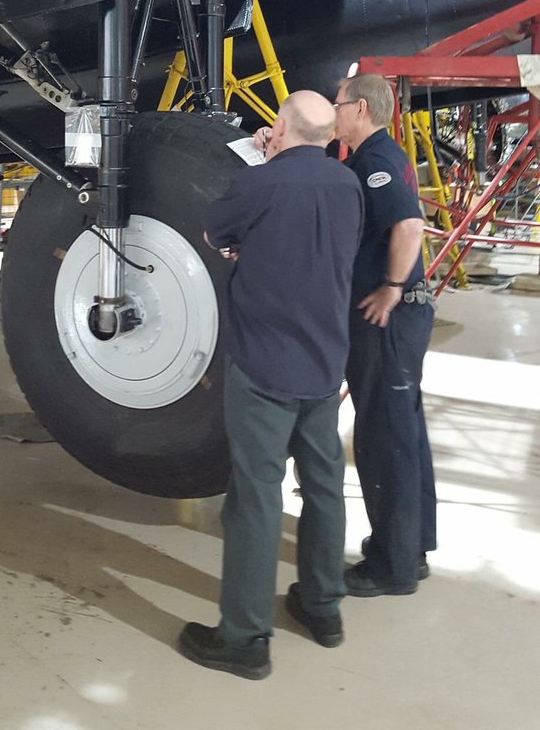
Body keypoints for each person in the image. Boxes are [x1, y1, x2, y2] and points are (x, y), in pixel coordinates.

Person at [178, 91, 364, 680]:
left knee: (257, 498)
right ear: (330, 134)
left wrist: (258, 162)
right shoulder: (348, 185)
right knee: (324, 486)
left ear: (280, 128)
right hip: (324, 362)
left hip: (265, 367)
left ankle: (244, 639)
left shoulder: (262, 183)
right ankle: (323, 608)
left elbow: (214, 232)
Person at [334, 73, 437, 598]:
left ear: (360, 109)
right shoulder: (376, 155)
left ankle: (392, 567)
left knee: (383, 439)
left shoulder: (374, 162)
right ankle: (410, 546)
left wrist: (392, 286)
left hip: (387, 322)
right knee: (403, 432)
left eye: (338, 103)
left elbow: (409, 225)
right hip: (399, 325)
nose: (334, 111)